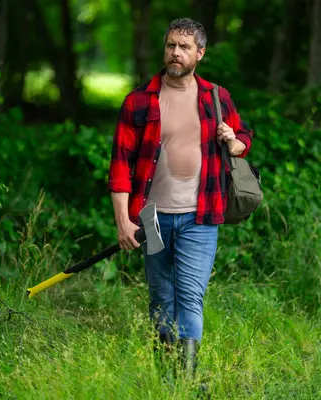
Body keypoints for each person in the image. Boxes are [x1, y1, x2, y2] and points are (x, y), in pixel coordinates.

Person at [107, 17, 253, 376]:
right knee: (161, 298)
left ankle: (185, 383)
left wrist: (233, 141)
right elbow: (120, 165)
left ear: (199, 54)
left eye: (184, 47)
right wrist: (123, 220)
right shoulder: (139, 101)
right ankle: (166, 375)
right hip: (151, 218)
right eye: (171, 45)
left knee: (189, 297)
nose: (176, 52)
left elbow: (244, 137)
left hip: (200, 215)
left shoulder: (217, 98)